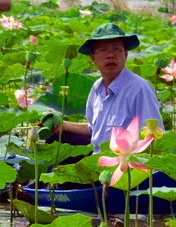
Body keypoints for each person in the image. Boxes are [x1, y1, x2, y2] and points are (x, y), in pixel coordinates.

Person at [56, 23, 163, 151]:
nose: (110, 55)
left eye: (117, 49)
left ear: (126, 55)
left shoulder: (139, 89)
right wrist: (62, 125)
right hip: (96, 159)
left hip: (123, 162)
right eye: (103, 50)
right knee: (55, 139)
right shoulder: (96, 88)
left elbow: (151, 139)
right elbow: (93, 130)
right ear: (93, 58)